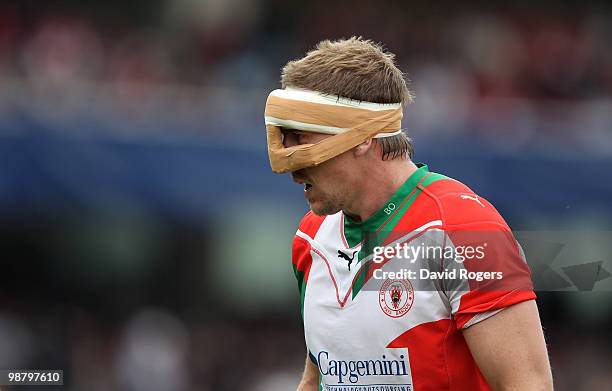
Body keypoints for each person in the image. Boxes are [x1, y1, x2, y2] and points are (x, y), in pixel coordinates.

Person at [263, 37, 553, 390]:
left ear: (362, 137)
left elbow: (526, 384)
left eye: (301, 138)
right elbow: (318, 377)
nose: (290, 166)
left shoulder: (466, 228)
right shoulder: (311, 238)